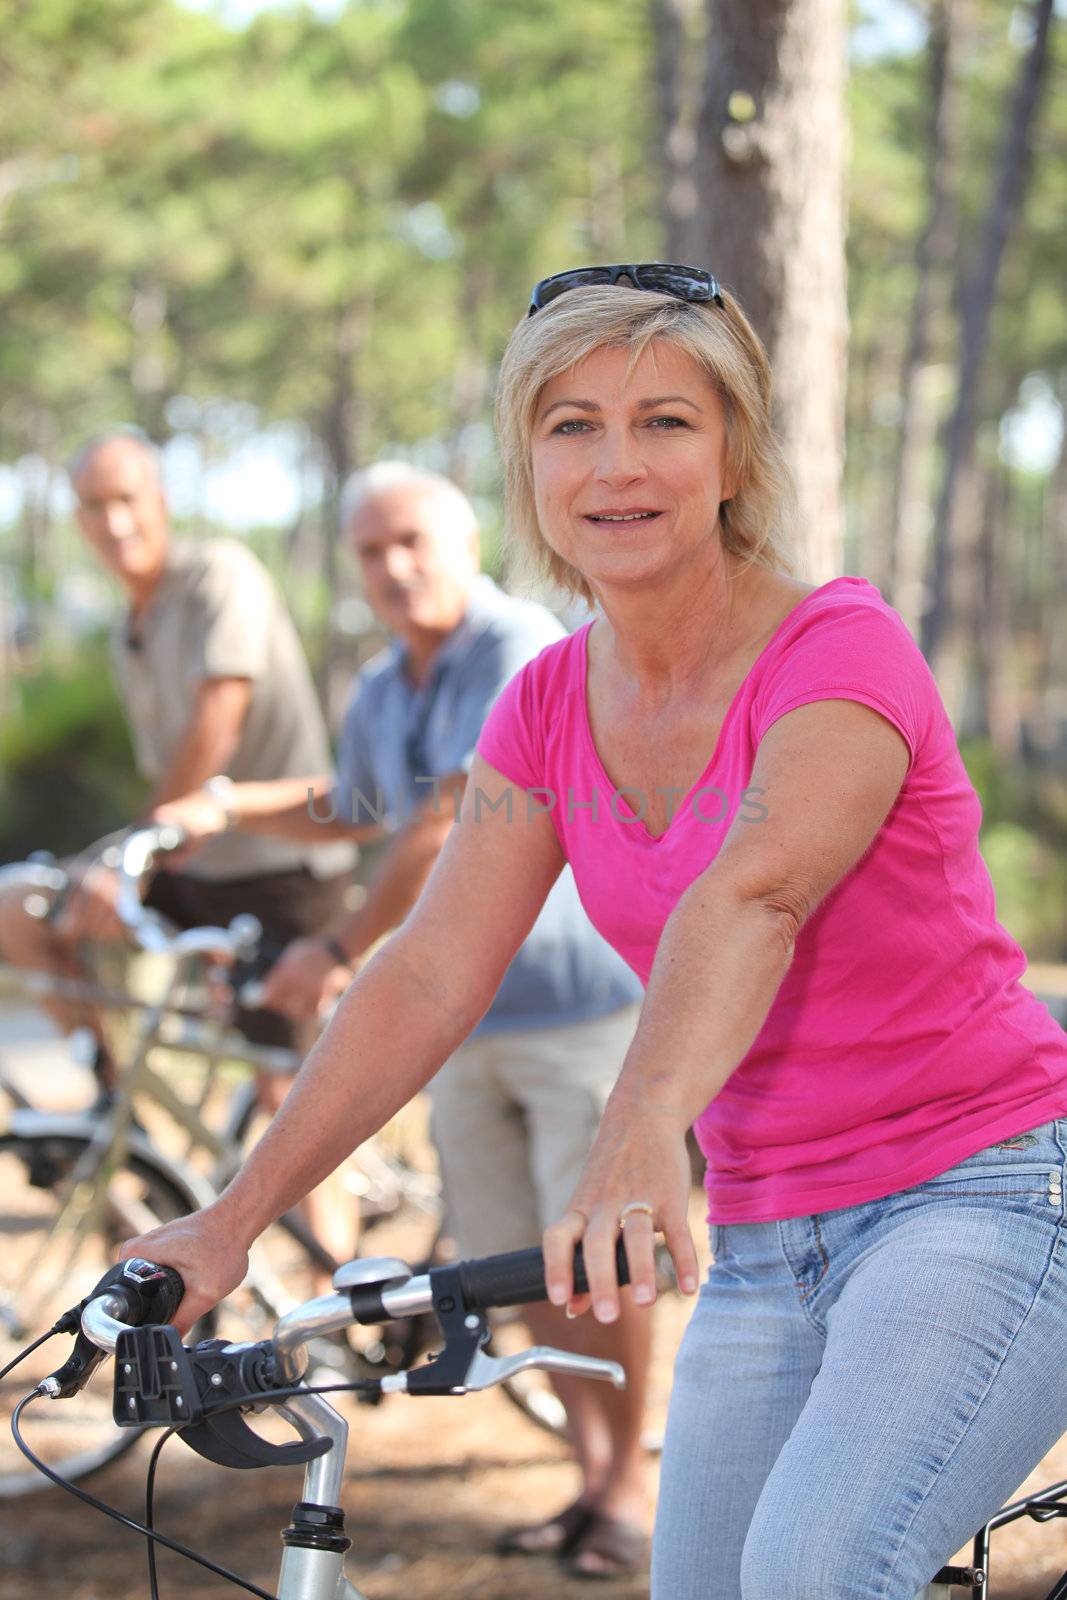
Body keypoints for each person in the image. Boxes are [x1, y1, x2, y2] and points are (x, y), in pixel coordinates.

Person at [123, 264, 1067, 1600]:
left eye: (664, 421)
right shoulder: (543, 707)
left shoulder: (837, 652)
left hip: (975, 1193)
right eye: (571, 424)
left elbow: (752, 894)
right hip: (762, 1234)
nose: (616, 464)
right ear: (528, 464)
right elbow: (433, 966)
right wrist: (228, 1220)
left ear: (730, 452)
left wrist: (628, 1141)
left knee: (812, 1571)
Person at [150, 461, 650, 1578]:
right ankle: (580, 1476)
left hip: (575, 1008)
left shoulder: (516, 645)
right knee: (512, 1269)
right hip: (463, 1026)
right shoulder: (384, 684)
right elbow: (356, 804)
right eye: (371, 550)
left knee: (596, 1265)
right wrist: (232, 802)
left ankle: (619, 1492)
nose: (392, 566)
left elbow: (443, 818)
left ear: (464, 540)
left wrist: (335, 946)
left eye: (411, 540)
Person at [0, 430, 355, 1252]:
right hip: (186, 857)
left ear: (158, 502)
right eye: (94, 506)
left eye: (126, 499)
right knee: (22, 908)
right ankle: (115, 1111)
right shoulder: (131, 621)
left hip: (278, 863)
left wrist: (136, 847)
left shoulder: (217, 576)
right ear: (80, 520)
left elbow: (215, 726)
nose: (113, 520)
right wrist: (124, 854)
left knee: (287, 1097)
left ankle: (341, 1293)